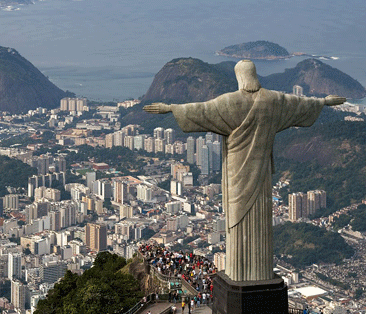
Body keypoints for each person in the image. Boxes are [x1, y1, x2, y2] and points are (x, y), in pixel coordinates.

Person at [143, 60, 345, 282]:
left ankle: (238, 273)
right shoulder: (273, 100)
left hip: (237, 173)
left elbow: (201, 110)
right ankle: (261, 273)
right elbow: (299, 104)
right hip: (262, 174)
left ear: (240, 77)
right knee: (260, 222)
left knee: (237, 222)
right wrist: (324, 102)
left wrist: (171, 108)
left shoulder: (230, 102)